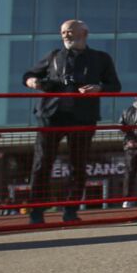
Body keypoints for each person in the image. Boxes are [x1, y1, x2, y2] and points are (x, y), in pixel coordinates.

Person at [22, 20, 121, 224]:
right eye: (63, 32)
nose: (66, 35)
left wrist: (98, 89)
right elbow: (29, 74)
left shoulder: (101, 58)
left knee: (79, 163)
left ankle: (71, 209)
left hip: (83, 116)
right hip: (51, 115)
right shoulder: (53, 55)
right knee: (42, 162)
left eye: (70, 31)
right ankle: (37, 211)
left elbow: (115, 85)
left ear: (84, 33)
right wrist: (32, 81)